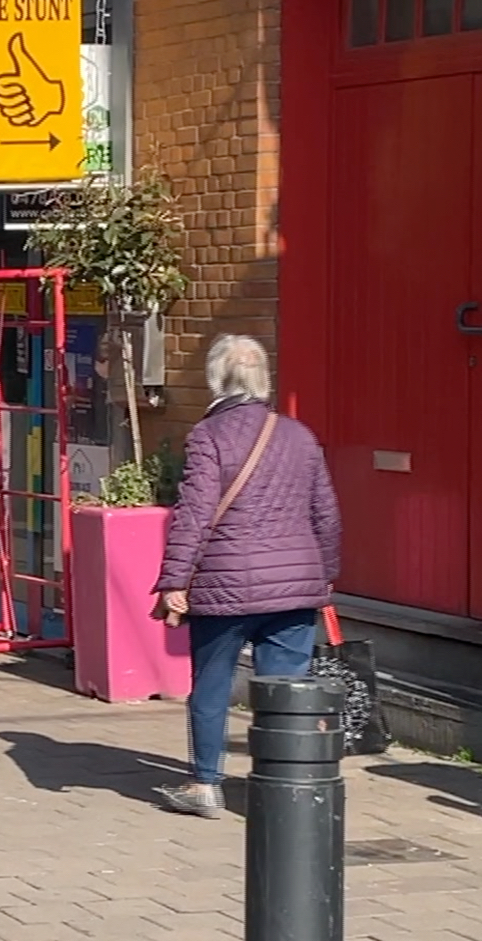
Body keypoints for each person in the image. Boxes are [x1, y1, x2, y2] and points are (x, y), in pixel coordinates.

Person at [152, 334, 341, 818]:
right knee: (285, 691)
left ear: (215, 379)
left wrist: (174, 581)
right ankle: (283, 787)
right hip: (294, 588)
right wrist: (325, 577)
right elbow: (327, 514)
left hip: (225, 586)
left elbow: (192, 514)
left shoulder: (209, 436)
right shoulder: (300, 435)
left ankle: (205, 785)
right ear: (264, 380)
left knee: (212, 684)